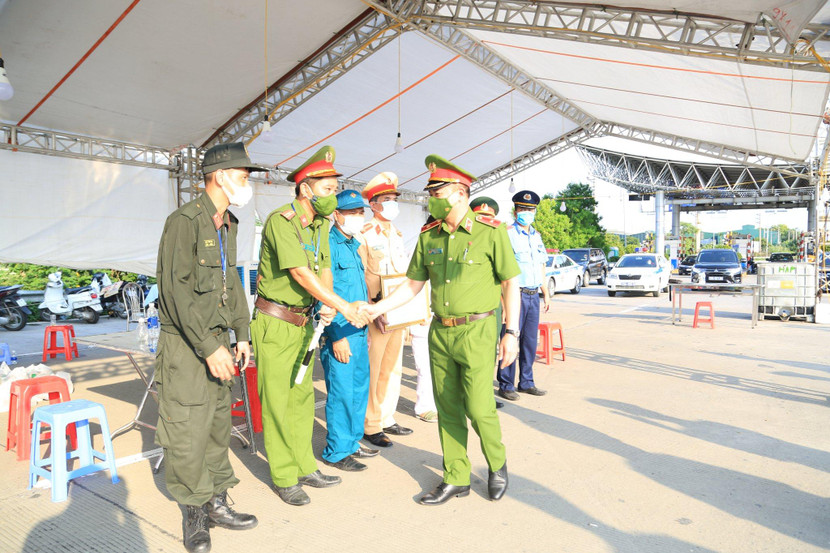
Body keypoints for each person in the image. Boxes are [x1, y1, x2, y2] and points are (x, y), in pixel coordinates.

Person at [362, 155, 521, 506]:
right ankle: (456, 476)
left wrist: (511, 333)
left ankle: (497, 464)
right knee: (447, 408)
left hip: (477, 331)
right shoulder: (429, 235)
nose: (431, 197)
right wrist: (377, 308)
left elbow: (510, 283)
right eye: (430, 191)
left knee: (479, 408)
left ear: (462, 193)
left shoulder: (490, 232)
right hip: (441, 333)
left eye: (439, 191)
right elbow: (412, 285)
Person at [154, 142, 263, 553]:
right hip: (186, 346)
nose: (247, 182)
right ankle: (194, 512)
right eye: (242, 175)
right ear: (219, 175)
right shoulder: (183, 221)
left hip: (218, 341)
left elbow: (230, 283)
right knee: (187, 432)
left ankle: (216, 500)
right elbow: (174, 292)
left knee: (218, 427)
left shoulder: (227, 223)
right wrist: (207, 347)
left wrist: (242, 333)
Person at [250, 145, 369, 507]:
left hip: (304, 323)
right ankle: (284, 475)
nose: (332, 196)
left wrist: (327, 302)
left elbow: (324, 269)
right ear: (306, 188)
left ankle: (304, 465)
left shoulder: (318, 225)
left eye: (335, 190)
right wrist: (342, 306)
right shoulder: (281, 220)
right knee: (277, 400)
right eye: (328, 189)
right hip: (276, 322)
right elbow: (300, 273)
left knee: (302, 398)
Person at [319, 190, 379, 472]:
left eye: (360, 212)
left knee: (358, 389)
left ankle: (353, 441)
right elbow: (325, 294)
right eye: (352, 212)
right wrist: (335, 336)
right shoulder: (328, 245)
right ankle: (337, 450)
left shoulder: (353, 244)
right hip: (340, 331)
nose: (358, 217)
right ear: (337, 214)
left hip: (359, 330)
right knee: (341, 393)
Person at [358, 172, 413, 448]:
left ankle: (387, 416)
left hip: (399, 312)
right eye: (387, 199)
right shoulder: (365, 235)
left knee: (393, 368)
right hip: (377, 313)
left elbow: (404, 278)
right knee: (375, 368)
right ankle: (371, 424)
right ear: (374, 205)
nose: (393, 204)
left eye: (394, 199)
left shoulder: (397, 234)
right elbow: (364, 277)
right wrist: (377, 310)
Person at [497, 191, 550, 401]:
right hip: (515, 295)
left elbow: (542, 265)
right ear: (515, 211)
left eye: (530, 210)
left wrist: (545, 292)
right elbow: (502, 271)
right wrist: (503, 302)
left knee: (529, 341)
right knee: (511, 338)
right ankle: (506, 384)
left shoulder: (536, 236)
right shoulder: (507, 234)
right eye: (523, 209)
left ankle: (526, 382)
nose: (527, 213)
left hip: (533, 294)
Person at [469, 196, 505, 410]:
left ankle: (484, 397)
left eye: (487, 217)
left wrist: (506, 308)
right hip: (468, 307)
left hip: (492, 305)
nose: (483, 220)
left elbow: (505, 279)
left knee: (490, 351)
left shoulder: (496, 237)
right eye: (479, 216)